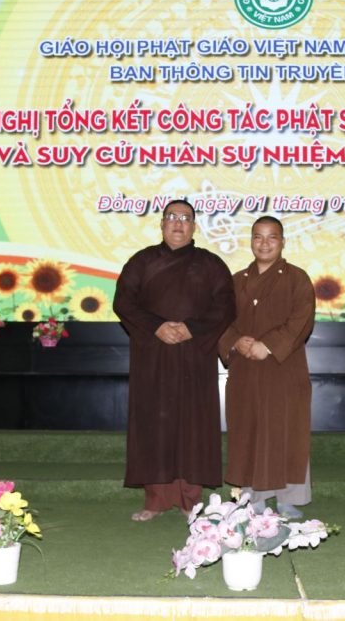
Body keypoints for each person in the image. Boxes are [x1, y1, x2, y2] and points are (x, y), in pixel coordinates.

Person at [113, 199, 236, 522]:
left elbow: (225, 305)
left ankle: (189, 500)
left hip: (195, 355)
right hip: (152, 354)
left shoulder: (211, 264)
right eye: (172, 217)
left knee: (193, 427)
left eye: (185, 218)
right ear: (162, 224)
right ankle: (156, 500)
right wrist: (156, 326)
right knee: (154, 425)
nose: (178, 223)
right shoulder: (142, 261)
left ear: (194, 226)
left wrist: (191, 328)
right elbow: (124, 302)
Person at [218, 216, 316, 517]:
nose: (264, 243)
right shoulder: (236, 281)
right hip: (245, 370)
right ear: (251, 241)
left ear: (282, 242)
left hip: (284, 368)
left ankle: (288, 499)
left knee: (287, 429)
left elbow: (301, 320)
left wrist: (269, 345)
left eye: (271, 237)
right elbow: (219, 320)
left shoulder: (297, 278)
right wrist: (236, 341)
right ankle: (252, 497)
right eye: (258, 237)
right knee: (248, 429)